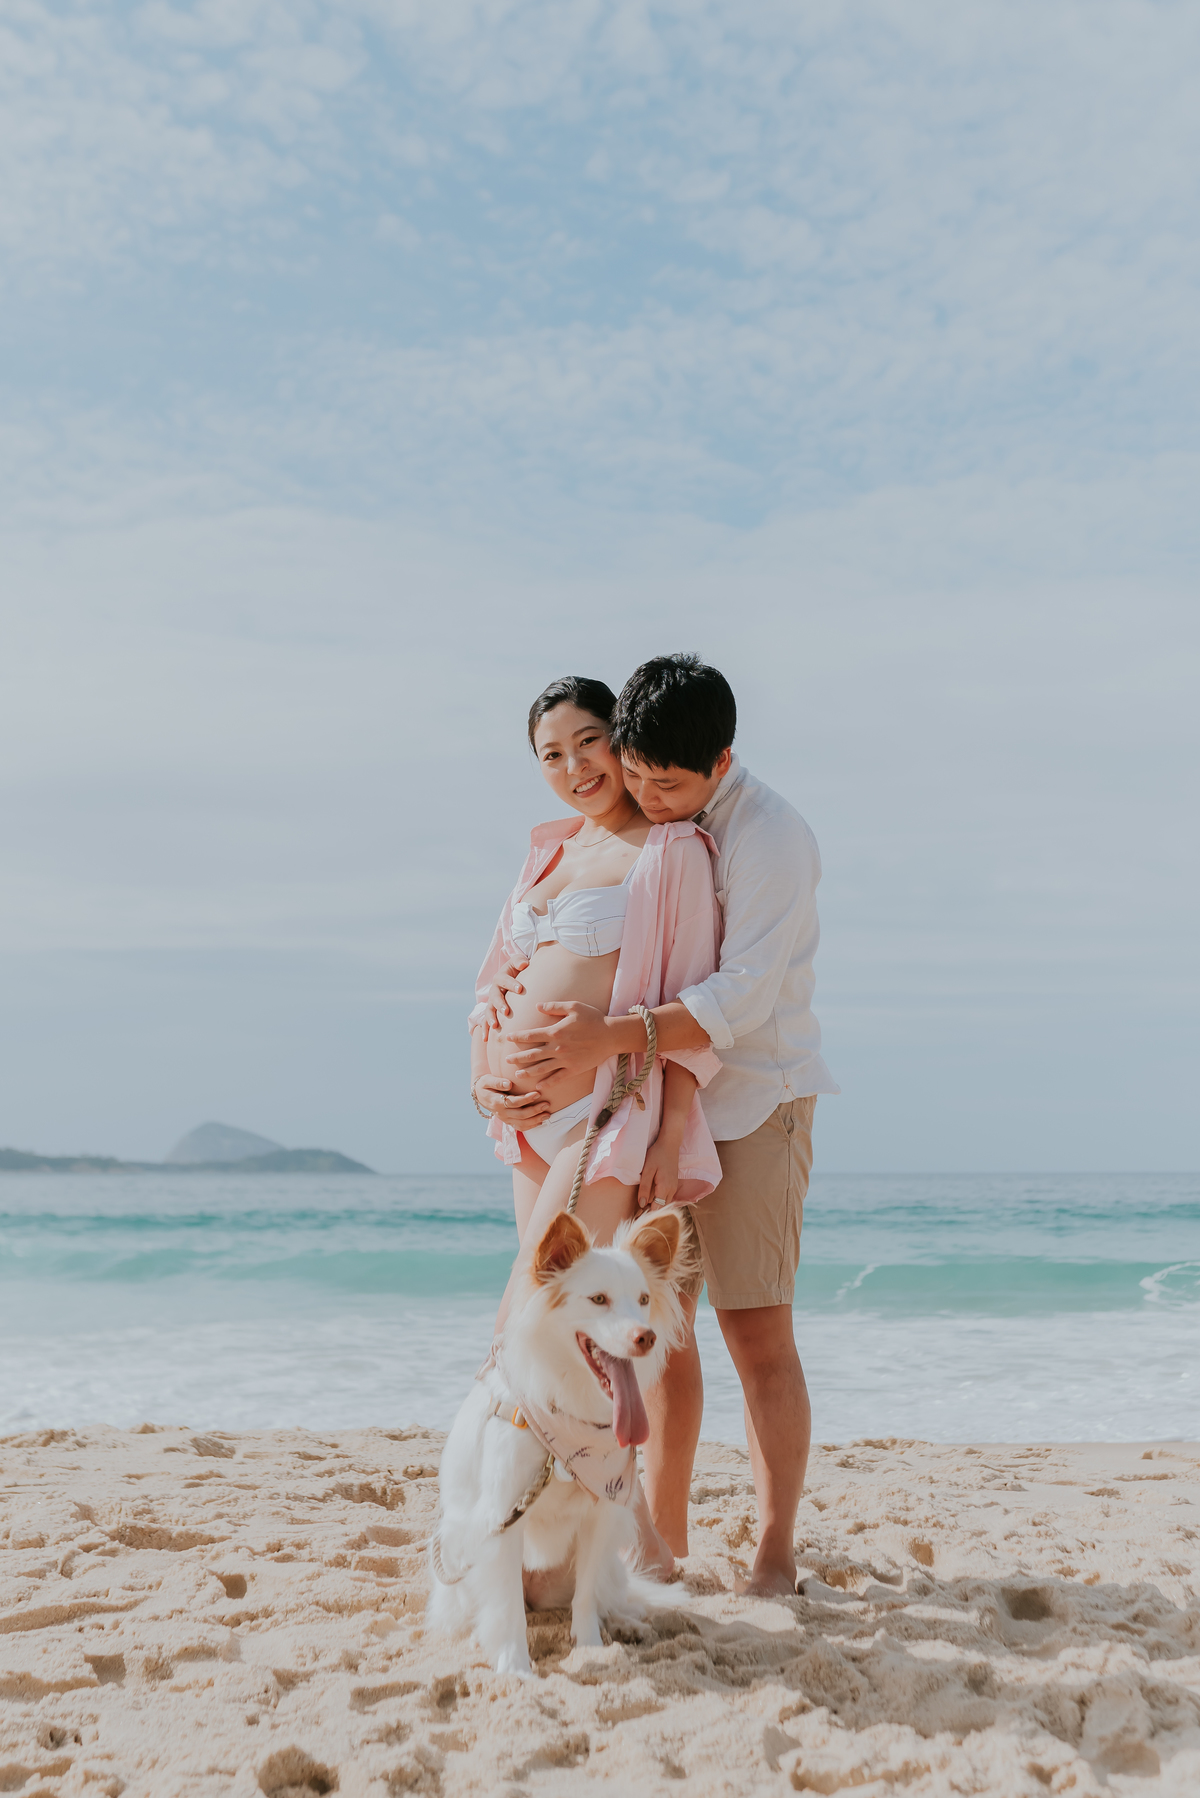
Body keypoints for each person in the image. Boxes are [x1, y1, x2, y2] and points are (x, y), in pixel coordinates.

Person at [492, 654, 838, 1597]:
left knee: (756, 1331)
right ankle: (662, 1542)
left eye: (665, 781)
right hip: (647, 1104)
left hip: (750, 1101)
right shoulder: (652, 825)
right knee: (655, 1327)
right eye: (634, 770)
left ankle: (773, 1554)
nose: (643, 791)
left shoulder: (768, 840)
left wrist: (613, 1042)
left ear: (721, 763)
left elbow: (733, 996)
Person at [469, 675, 727, 1573]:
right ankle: (604, 1537)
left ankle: (610, 1536)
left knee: (525, 1318)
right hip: (526, 1123)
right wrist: (483, 1073)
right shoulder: (546, 852)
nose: (574, 767)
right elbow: (492, 978)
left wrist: (669, 1133)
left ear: (620, 740)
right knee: (561, 1335)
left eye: (588, 742)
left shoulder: (673, 851)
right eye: (551, 753)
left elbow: (695, 1002)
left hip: (605, 1111)